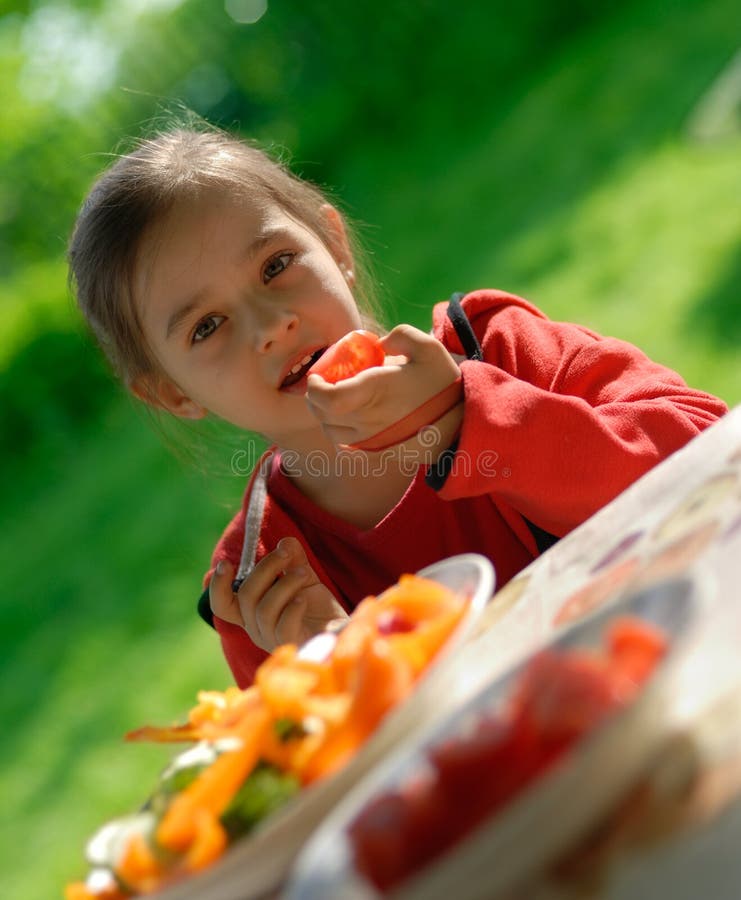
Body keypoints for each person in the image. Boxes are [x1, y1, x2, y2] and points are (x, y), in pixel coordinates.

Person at [68, 125, 728, 688]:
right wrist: (342, 658)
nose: (269, 325)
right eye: (206, 327)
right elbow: (337, 789)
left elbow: (712, 453)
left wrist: (472, 422)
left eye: (274, 266)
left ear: (336, 245)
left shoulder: (496, 347)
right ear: (172, 392)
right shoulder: (262, 586)